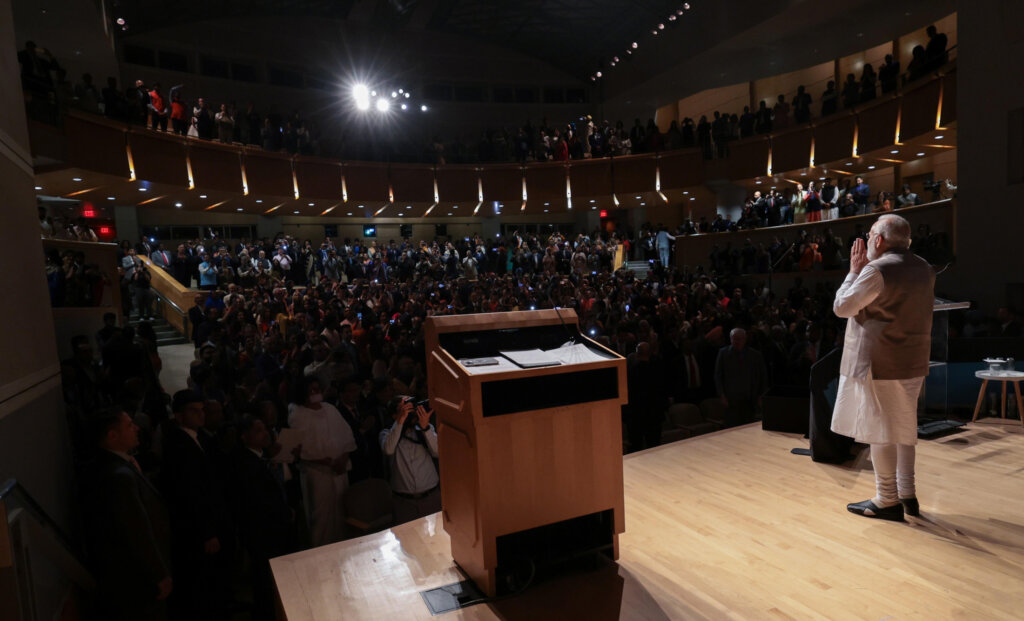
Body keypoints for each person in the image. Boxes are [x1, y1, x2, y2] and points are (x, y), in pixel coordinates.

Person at [831, 214, 935, 521]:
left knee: (881, 431)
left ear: (878, 240)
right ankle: (908, 494)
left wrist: (853, 272)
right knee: (903, 428)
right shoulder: (925, 268)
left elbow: (842, 307)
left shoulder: (876, 270)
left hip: (880, 361)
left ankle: (886, 499)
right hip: (913, 360)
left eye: (870, 234)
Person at [82, 409, 172, 621]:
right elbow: (135, 529)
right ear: (113, 436)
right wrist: (158, 573)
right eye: (129, 425)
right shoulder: (118, 476)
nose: (137, 428)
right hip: (137, 579)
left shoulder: (118, 466)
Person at [289, 377, 356, 546]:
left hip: (339, 470)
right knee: (321, 515)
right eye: (311, 390)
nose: (315, 393)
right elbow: (300, 447)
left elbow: (346, 435)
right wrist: (324, 461)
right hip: (317, 473)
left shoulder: (330, 409)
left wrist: (343, 457)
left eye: (317, 389)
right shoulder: (298, 414)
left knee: (341, 509)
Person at [380, 396, 440, 524]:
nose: (407, 414)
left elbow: (438, 452)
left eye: (409, 410)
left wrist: (426, 428)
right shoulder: (387, 433)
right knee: (407, 541)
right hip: (404, 502)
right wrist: (400, 422)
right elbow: (389, 449)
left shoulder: (423, 430)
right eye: (402, 411)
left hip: (431, 496)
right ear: (393, 415)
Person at [714, 328, 767, 427]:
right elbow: (718, 376)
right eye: (734, 339)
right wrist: (721, 395)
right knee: (731, 427)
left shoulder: (755, 355)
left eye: (739, 339)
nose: (736, 341)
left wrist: (761, 395)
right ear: (730, 339)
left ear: (745, 339)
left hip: (749, 399)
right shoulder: (723, 353)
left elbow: (762, 377)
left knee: (748, 427)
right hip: (731, 399)